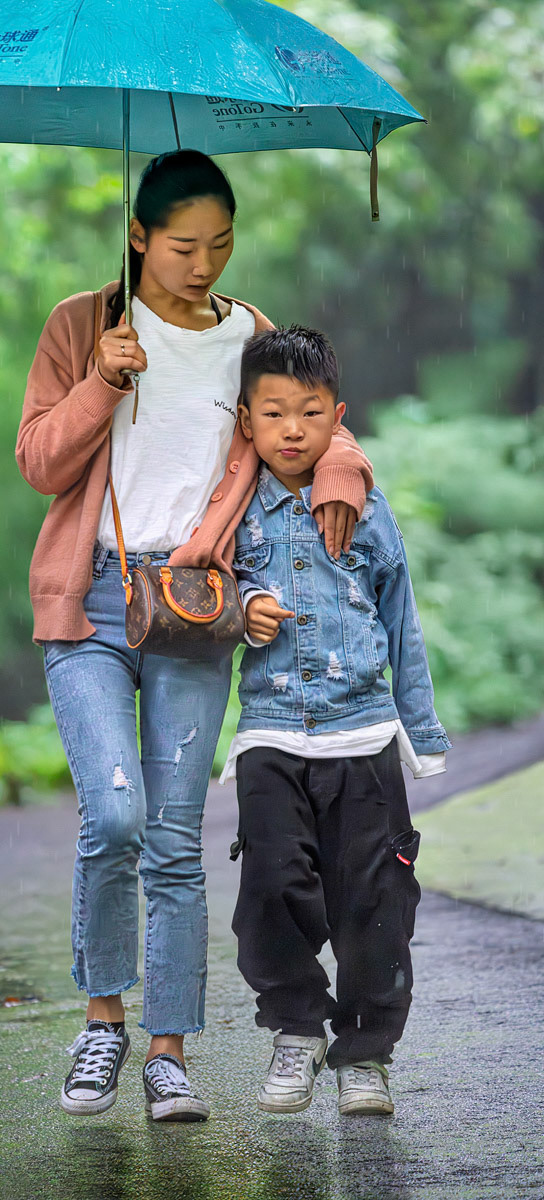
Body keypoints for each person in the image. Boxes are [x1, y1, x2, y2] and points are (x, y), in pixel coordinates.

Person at [16, 151, 373, 1122]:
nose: (203, 263)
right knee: (114, 816)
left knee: (174, 840)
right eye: (182, 245)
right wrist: (100, 381)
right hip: (91, 601)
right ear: (138, 237)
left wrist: (340, 471)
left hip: (194, 602)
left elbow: (306, 417)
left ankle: (167, 1053)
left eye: (220, 243)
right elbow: (39, 462)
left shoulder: (248, 334)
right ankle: (103, 1023)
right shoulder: (81, 324)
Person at [221, 325, 451, 1116]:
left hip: (362, 732)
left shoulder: (367, 508)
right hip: (271, 732)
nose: (292, 430)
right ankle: (295, 1030)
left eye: (310, 413)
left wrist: (420, 732)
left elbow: (400, 618)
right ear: (246, 420)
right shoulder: (232, 509)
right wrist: (241, 606)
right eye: (274, 413)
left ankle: (365, 1055)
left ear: (337, 417)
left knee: (374, 901)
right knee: (271, 886)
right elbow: (204, 586)